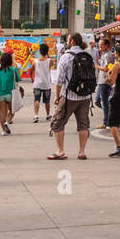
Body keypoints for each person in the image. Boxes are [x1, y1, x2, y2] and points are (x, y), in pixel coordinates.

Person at [50, 32, 96, 160]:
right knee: (83, 125)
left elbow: (59, 80)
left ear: (72, 42)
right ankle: (82, 152)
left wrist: (57, 95)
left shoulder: (66, 57)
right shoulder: (88, 55)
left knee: (58, 123)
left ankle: (60, 151)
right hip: (85, 96)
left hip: (69, 95)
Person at [0, 50, 20, 134]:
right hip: (10, 93)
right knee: (12, 110)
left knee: (2, 112)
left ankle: (3, 130)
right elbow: (18, 79)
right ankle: (7, 122)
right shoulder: (13, 70)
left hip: (0, 93)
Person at [32, 42, 53, 123]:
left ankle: (36, 115)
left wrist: (31, 77)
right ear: (47, 51)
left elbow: (31, 70)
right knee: (47, 101)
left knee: (36, 99)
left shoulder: (35, 61)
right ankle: (47, 115)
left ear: (40, 51)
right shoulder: (50, 61)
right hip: (46, 84)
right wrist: (47, 56)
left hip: (37, 83)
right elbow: (50, 67)